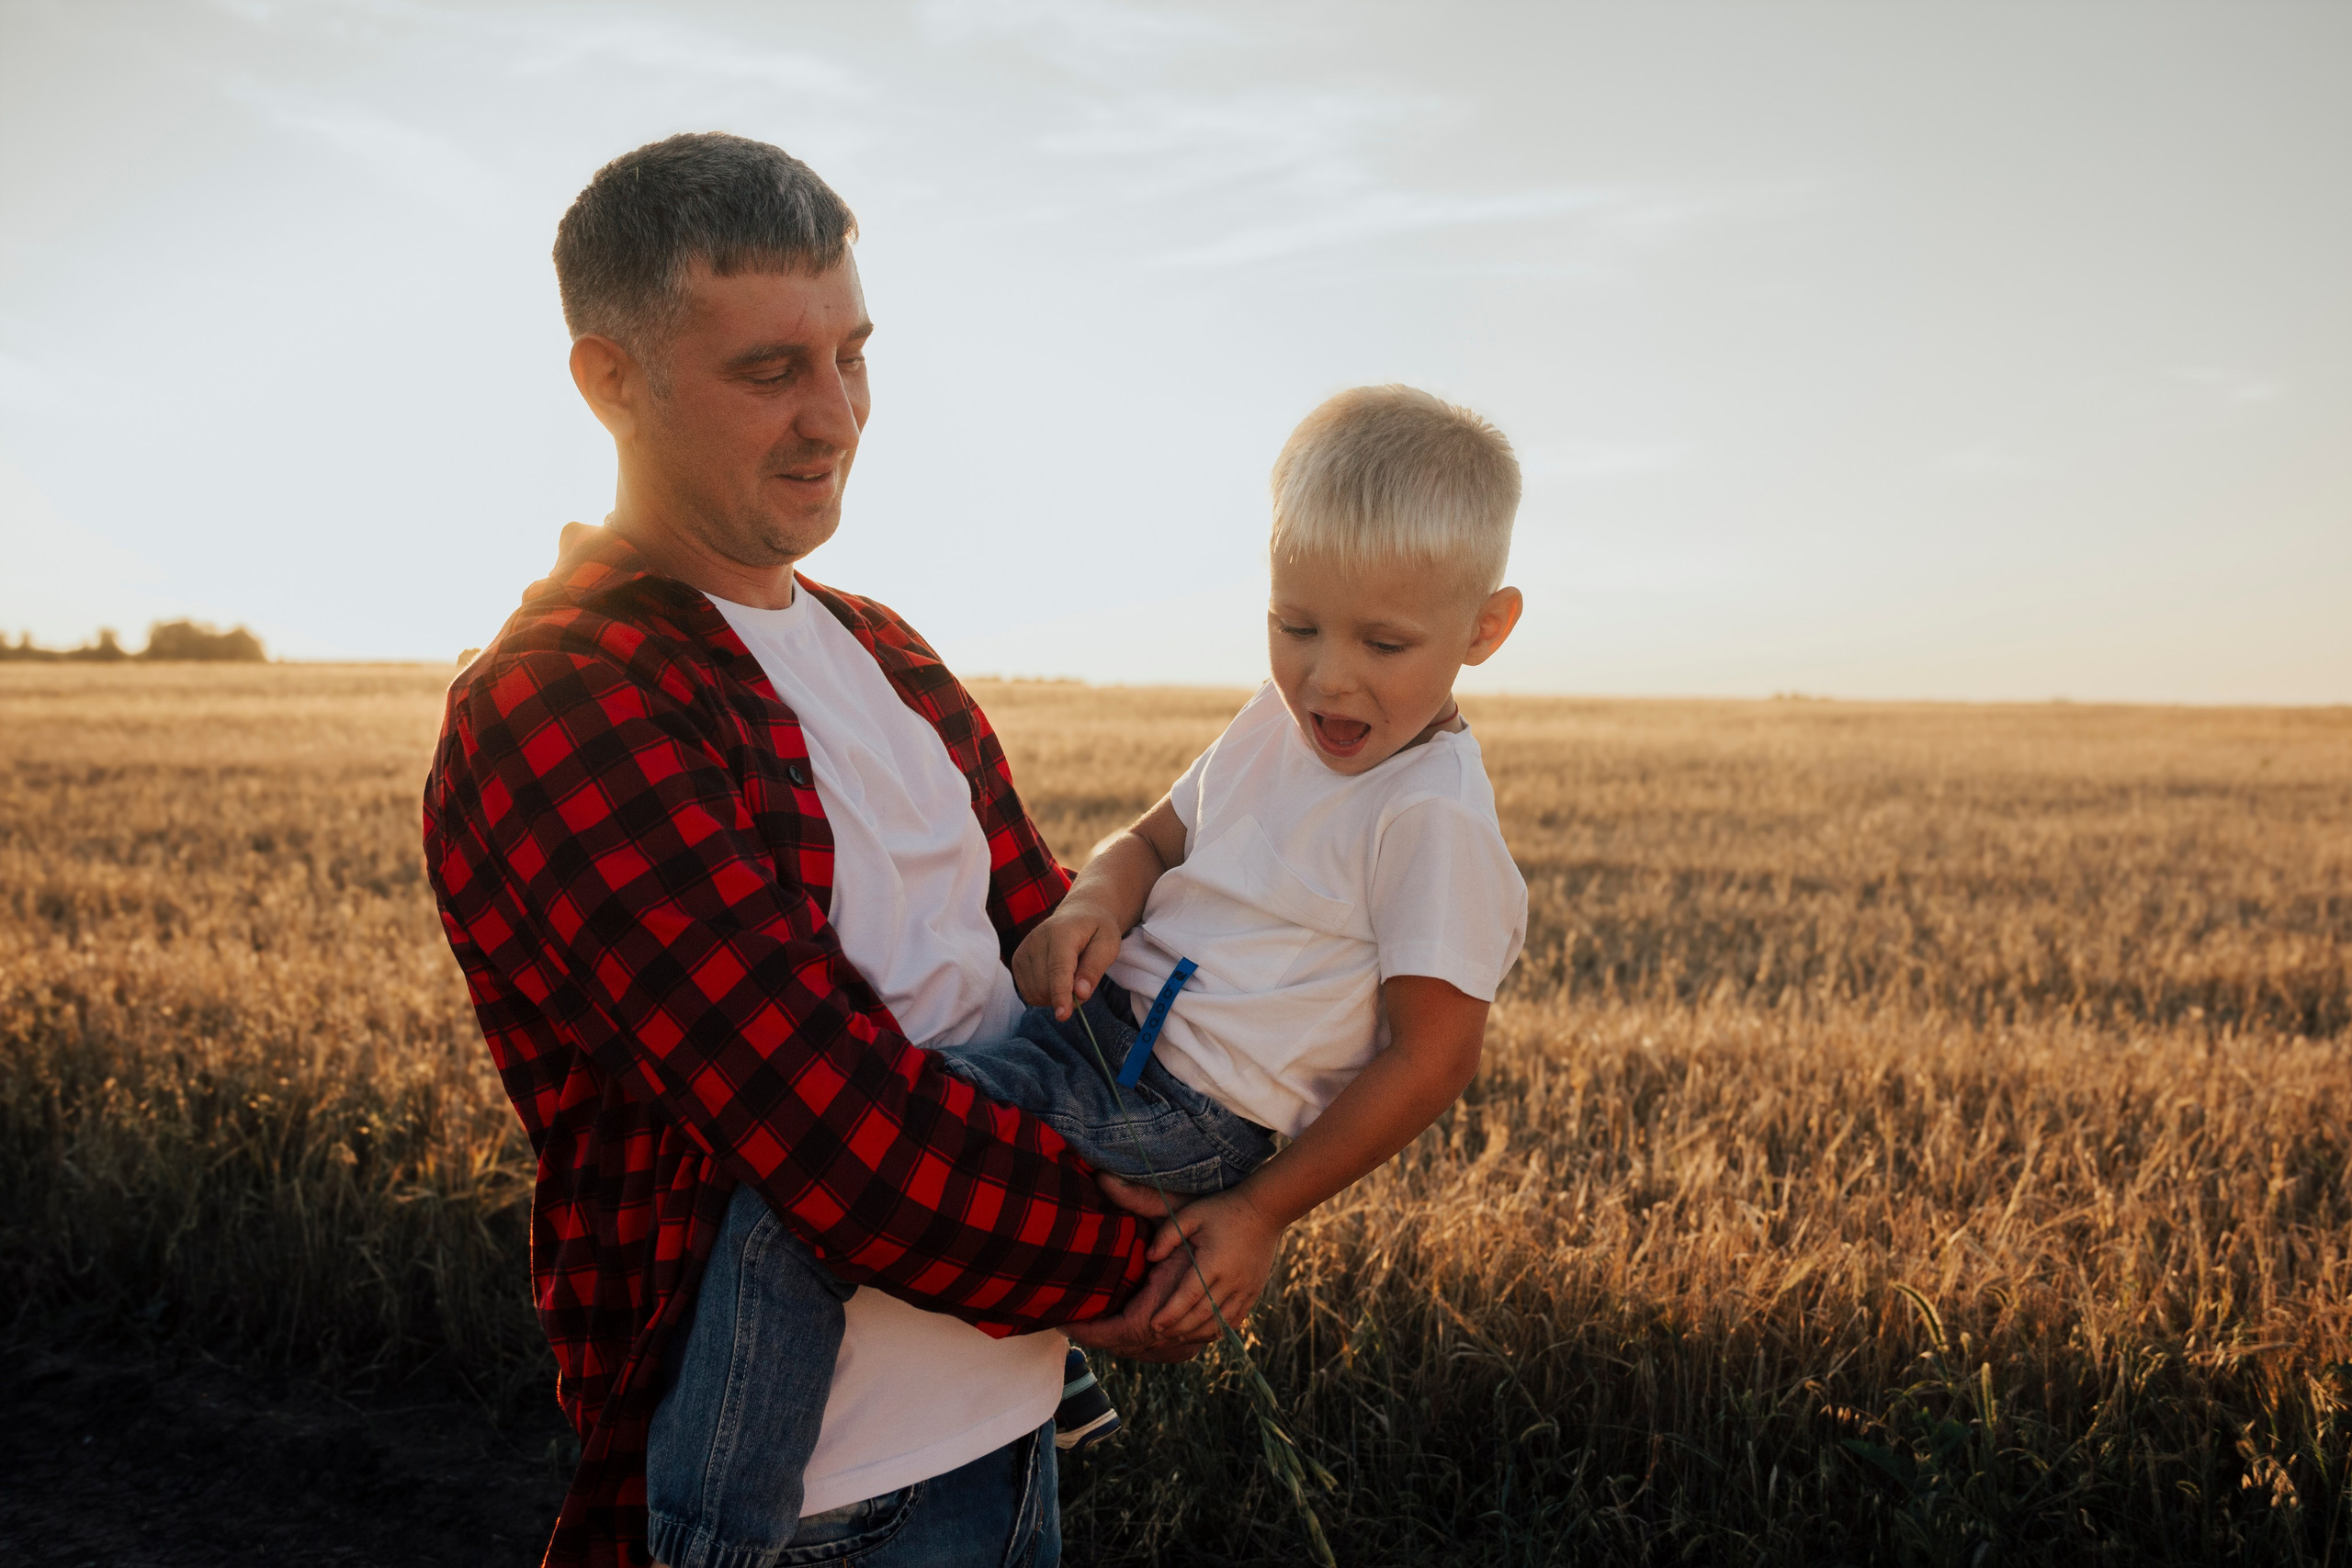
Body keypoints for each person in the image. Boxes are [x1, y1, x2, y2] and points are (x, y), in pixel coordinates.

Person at [423, 131, 1205, 1568]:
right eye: (770, 370)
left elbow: (1061, 985)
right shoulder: (566, 698)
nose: (835, 414)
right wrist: (1131, 1268)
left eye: (854, 355)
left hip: (1011, 1432)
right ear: (610, 381)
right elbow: (820, 1121)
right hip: (810, 1513)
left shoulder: (885, 651)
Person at [656, 382, 1531, 1566]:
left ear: (1486, 627)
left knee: (811, 1195)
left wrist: (1260, 1212)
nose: (1328, 679)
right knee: (889, 1098)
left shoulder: (1428, 815)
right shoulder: (1277, 727)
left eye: (1383, 644)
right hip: (1095, 1037)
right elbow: (1154, 841)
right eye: (1294, 625)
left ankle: (703, 1543)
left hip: (1176, 1110)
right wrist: (1092, 906)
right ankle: (1047, 1366)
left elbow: (1433, 1059)